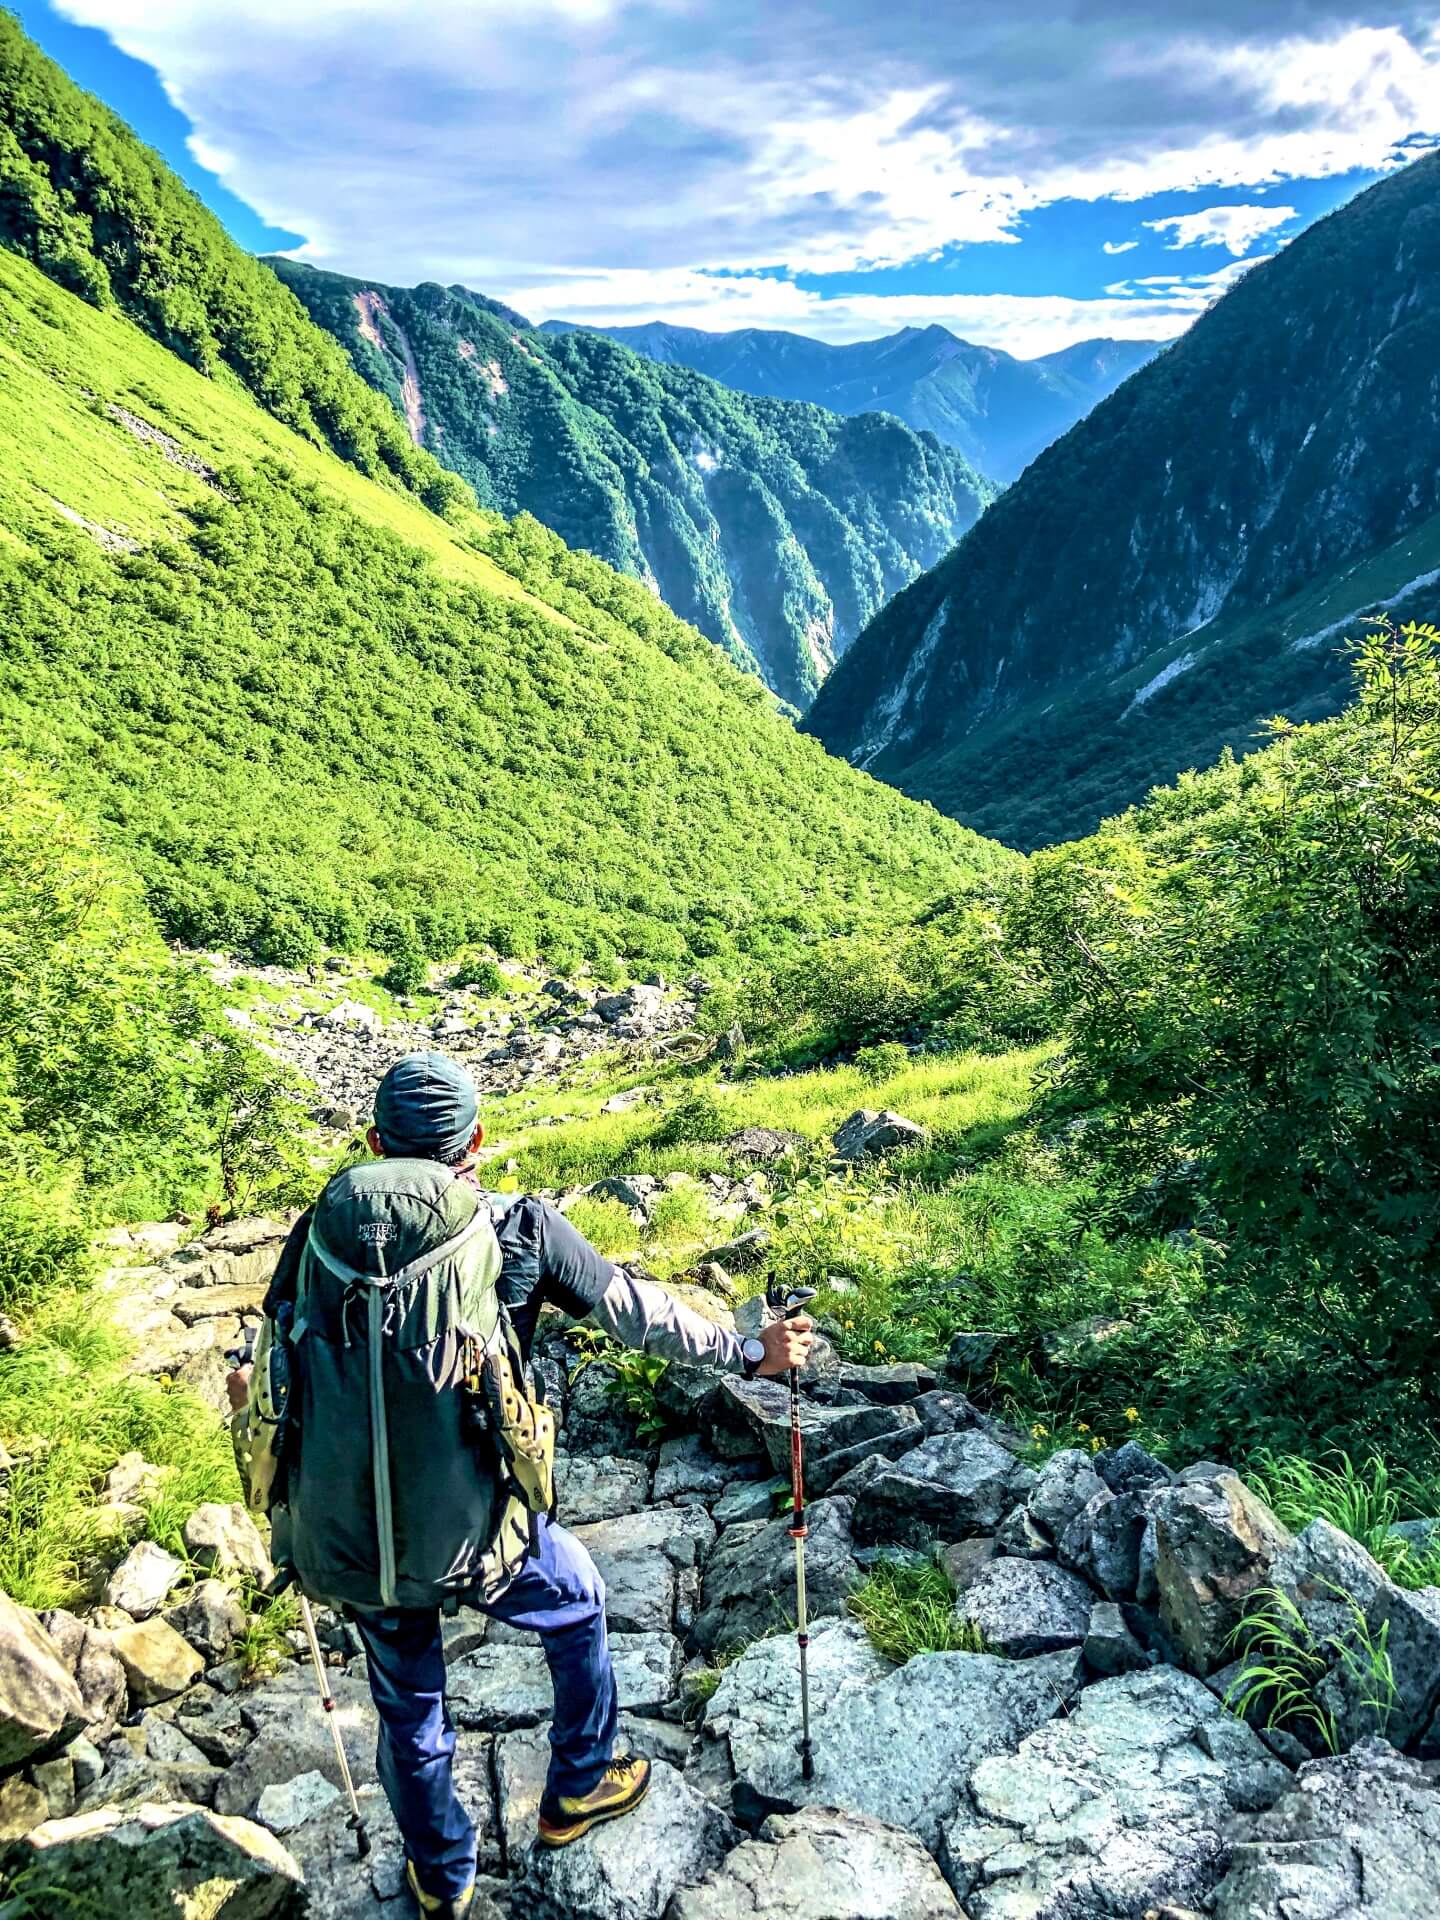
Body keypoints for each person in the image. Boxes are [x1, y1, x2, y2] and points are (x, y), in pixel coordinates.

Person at [228, 1050, 812, 1920]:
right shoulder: (521, 1227)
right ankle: (578, 1784)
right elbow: (637, 1313)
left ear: (376, 1140)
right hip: (483, 1525)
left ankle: (441, 1873)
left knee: (408, 1701)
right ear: (478, 1140)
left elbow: (268, 1354)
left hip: (354, 1532)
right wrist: (749, 1353)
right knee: (577, 1600)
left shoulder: (321, 1229)